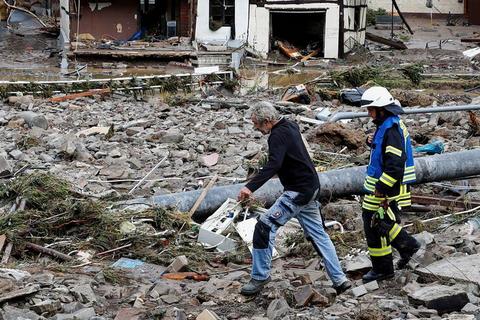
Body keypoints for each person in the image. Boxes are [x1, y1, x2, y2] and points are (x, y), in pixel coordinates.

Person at [238, 101, 351, 296]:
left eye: (256, 123)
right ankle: (340, 280)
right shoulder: (290, 125)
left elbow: (274, 164)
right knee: (319, 235)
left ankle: (260, 276)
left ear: (267, 121)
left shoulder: (277, 136)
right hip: (311, 188)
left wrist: (250, 187)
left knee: (264, 227)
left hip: (297, 192)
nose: (255, 127)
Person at [360, 86, 421, 283]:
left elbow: (394, 165)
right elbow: (383, 150)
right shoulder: (387, 125)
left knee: (377, 223)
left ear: (382, 108)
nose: (369, 113)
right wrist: (371, 141)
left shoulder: (391, 129)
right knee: (378, 223)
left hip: (386, 188)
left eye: (371, 109)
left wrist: (382, 188)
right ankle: (389, 262)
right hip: (383, 186)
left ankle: (398, 255)